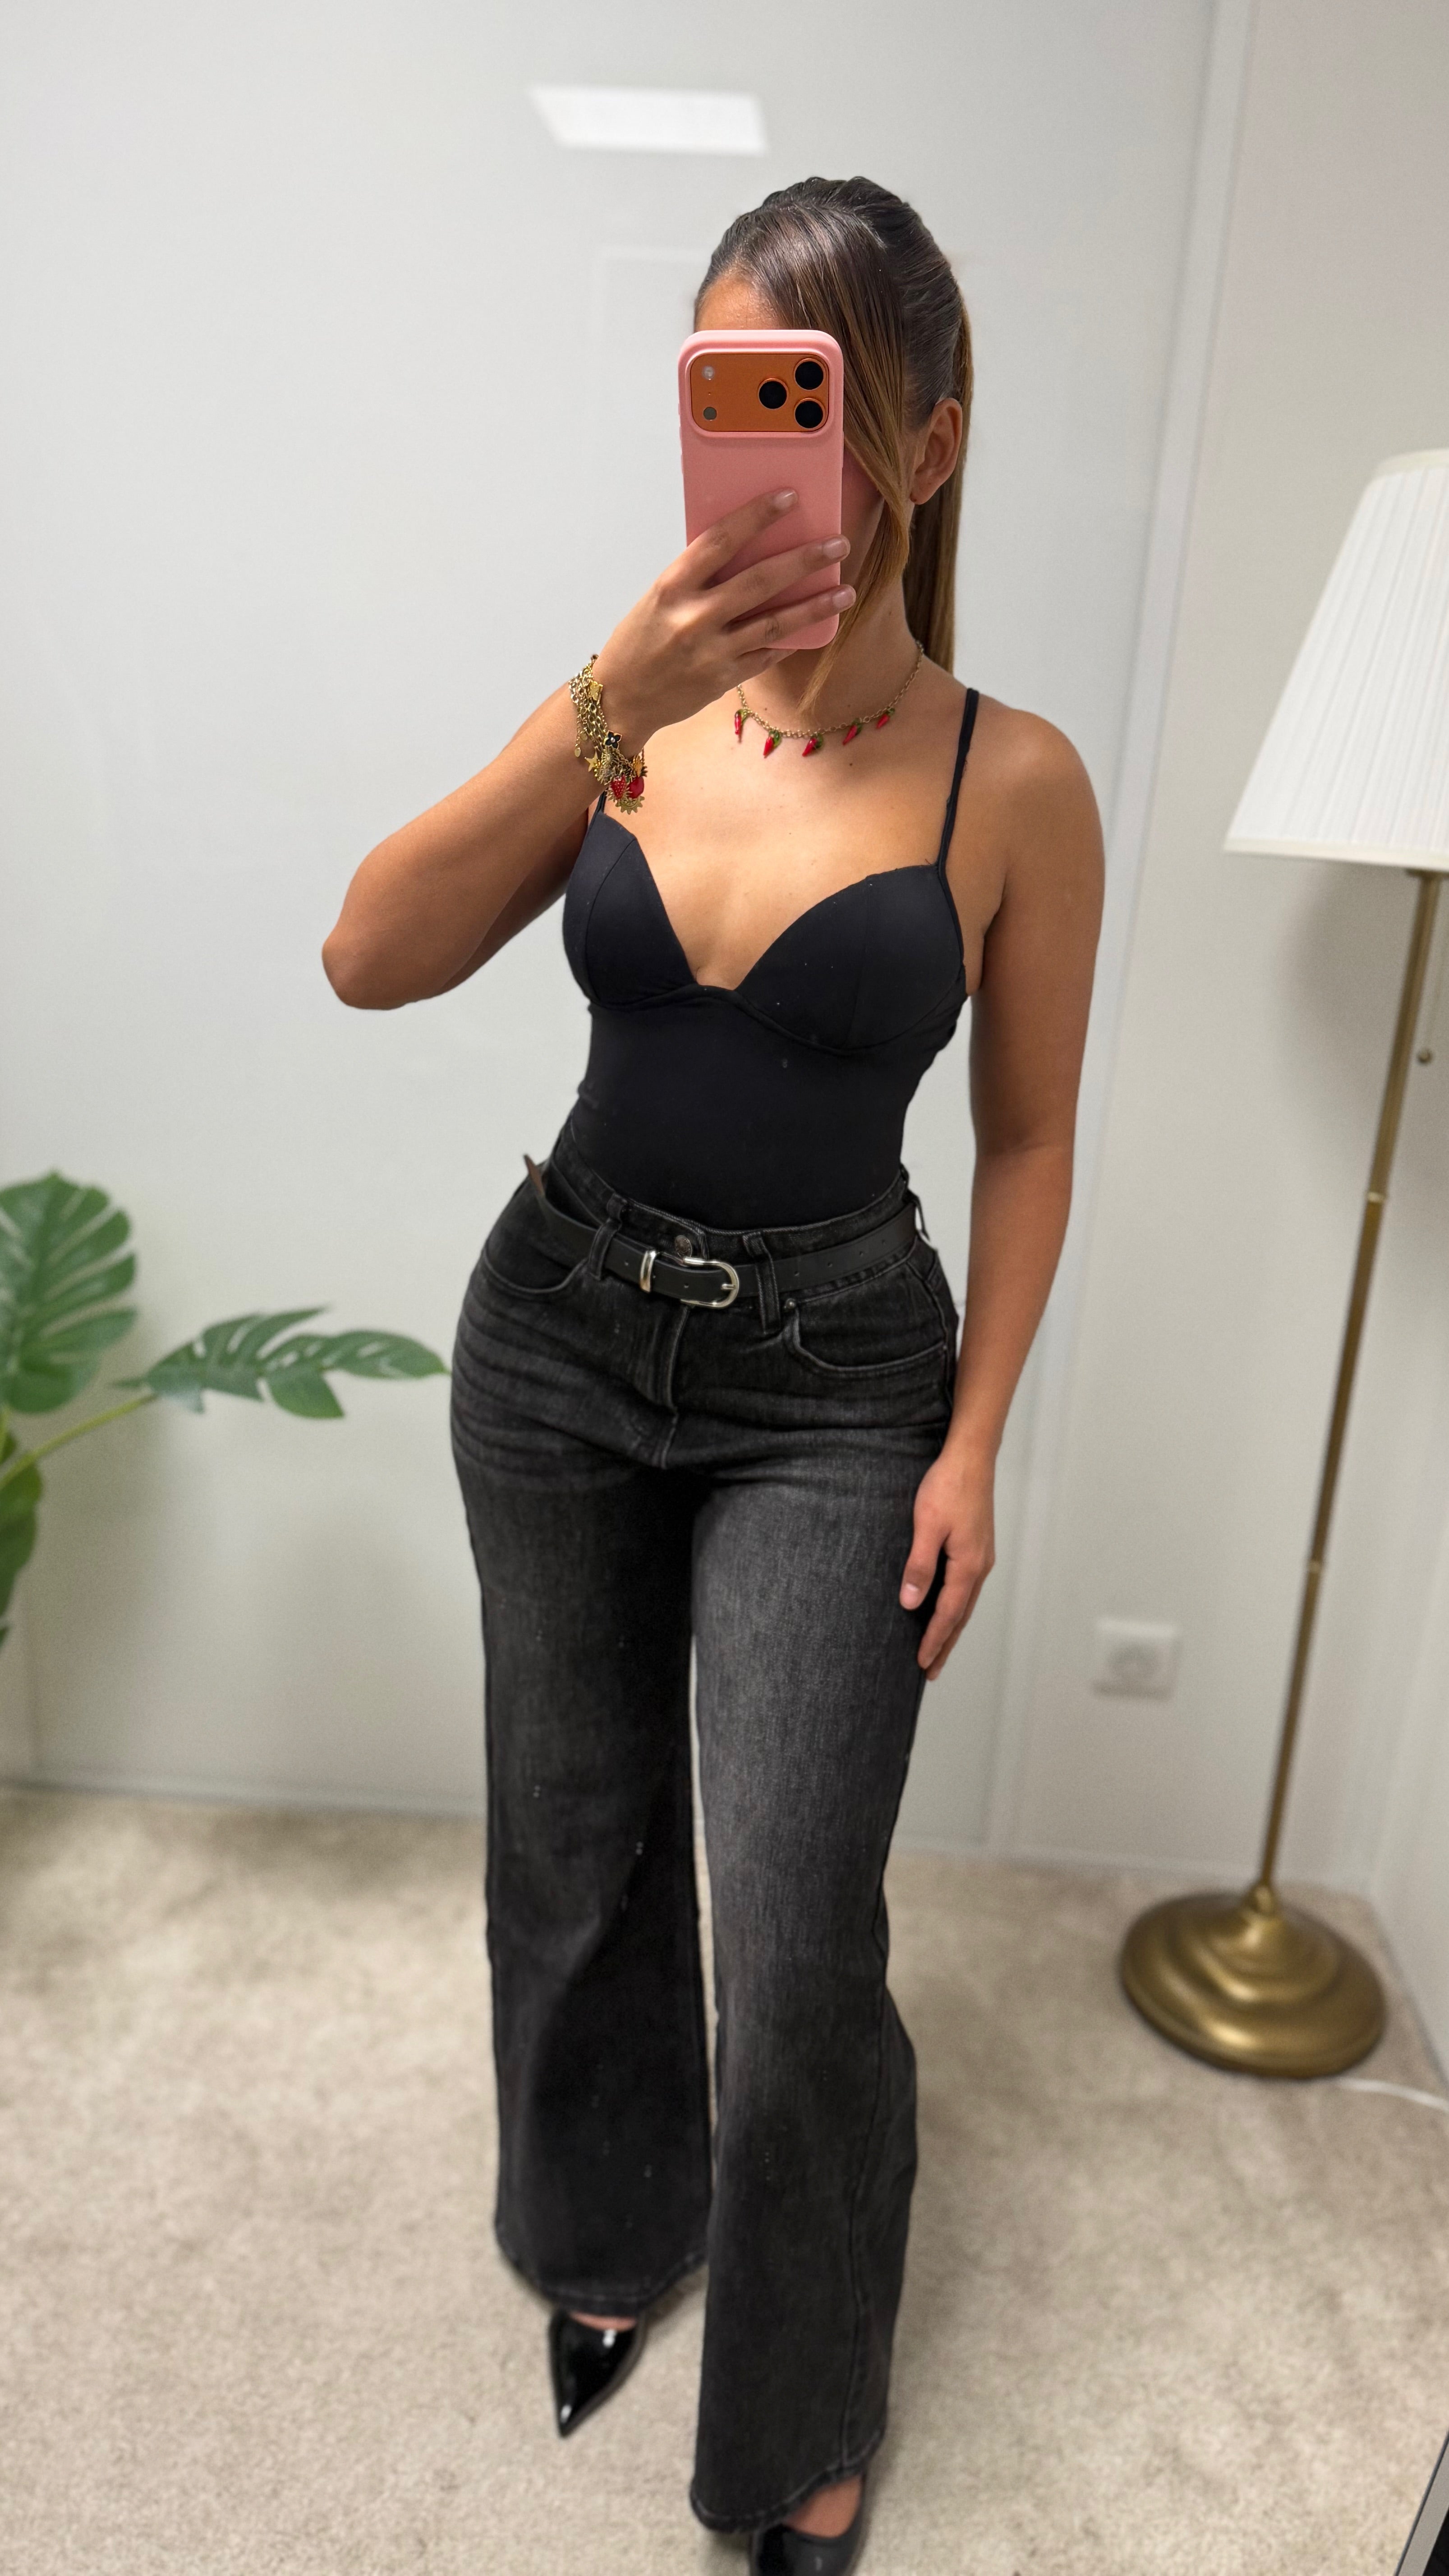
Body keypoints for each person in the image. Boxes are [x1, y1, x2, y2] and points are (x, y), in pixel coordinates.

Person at [323, 175, 1102, 2576]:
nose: (755, 455)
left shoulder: (1013, 782)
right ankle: (602, 2227)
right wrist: (608, 699)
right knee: (570, 1848)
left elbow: (1032, 1135)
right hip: (558, 1336)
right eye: (720, 393)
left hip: (839, 1386)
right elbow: (370, 955)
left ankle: (794, 2410)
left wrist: (976, 1440)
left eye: (810, 403)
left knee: (794, 1930)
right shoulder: (632, 712)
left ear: (926, 442)